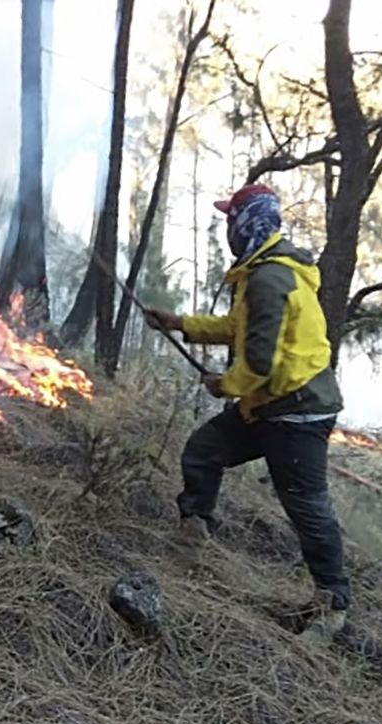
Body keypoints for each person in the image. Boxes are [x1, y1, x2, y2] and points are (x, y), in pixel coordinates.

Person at [144, 184, 351, 641]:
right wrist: (179, 324)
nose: (226, 230)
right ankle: (193, 536)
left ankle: (332, 604)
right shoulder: (260, 272)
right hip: (269, 403)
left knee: (306, 506)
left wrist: (226, 385)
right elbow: (238, 329)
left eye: (229, 220)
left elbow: (259, 361)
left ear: (247, 223)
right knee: (204, 449)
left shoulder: (269, 278)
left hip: (297, 411)